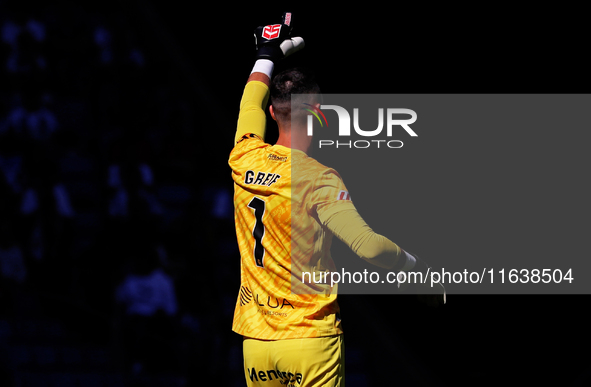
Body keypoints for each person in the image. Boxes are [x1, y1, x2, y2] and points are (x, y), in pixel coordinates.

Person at [229, 13, 444, 387]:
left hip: (256, 343)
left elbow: (250, 99)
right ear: (318, 113)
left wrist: (267, 51)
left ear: (270, 114)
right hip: (309, 340)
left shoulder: (243, 156)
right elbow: (370, 247)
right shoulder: (318, 178)